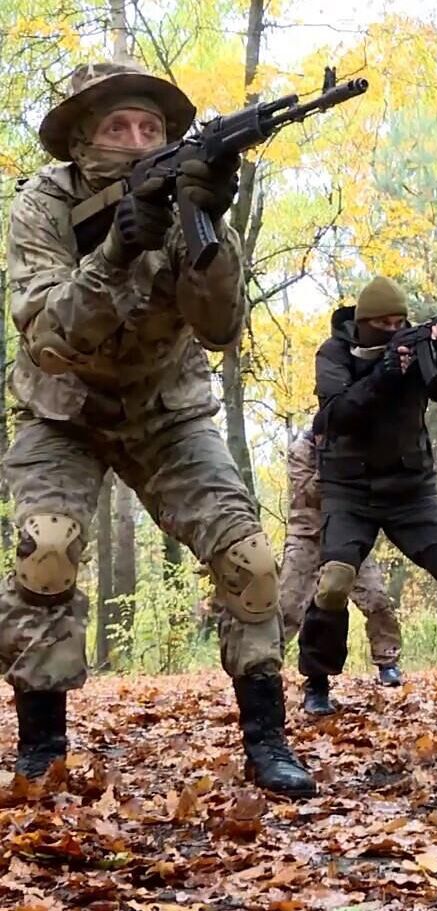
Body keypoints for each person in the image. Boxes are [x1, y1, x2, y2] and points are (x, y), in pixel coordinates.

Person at [2, 60, 314, 796]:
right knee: (45, 550)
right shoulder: (42, 209)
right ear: (80, 144)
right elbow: (50, 335)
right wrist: (115, 250)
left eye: (152, 127)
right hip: (61, 409)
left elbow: (219, 327)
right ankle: (42, 747)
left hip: (166, 410)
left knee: (252, 557)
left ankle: (267, 738)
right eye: (117, 127)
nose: (138, 140)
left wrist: (213, 228)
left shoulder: (184, 202)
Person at [300, 277, 437, 711]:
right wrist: (383, 375)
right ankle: (316, 688)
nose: (393, 329)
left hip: (410, 490)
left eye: (400, 321)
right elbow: (336, 416)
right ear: (363, 324)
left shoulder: (418, 349)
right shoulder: (334, 353)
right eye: (383, 323)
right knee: (335, 582)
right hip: (349, 490)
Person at [279, 428, 405, 703]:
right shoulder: (301, 449)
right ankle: (264, 668)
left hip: (348, 533)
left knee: (377, 599)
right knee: (288, 605)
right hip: (307, 535)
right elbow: (310, 493)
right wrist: (334, 466)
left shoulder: (354, 446)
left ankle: (388, 663)